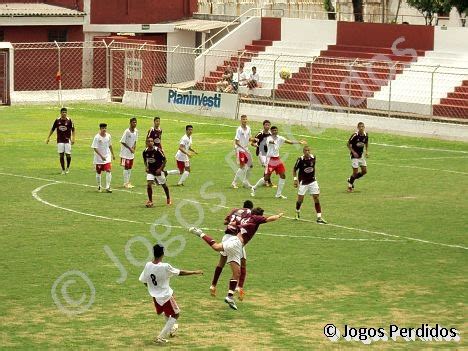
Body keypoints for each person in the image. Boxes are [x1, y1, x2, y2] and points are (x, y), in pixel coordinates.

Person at [189, 208, 283, 310]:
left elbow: (232, 223)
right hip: (237, 244)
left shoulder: (246, 218)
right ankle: (230, 296)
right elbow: (270, 219)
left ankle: (200, 233)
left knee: (216, 247)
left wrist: (233, 223)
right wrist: (278, 216)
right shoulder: (255, 218)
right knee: (236, 272)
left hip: (233, 240)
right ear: (259, 215)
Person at [139, 244, 203, 343]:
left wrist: (153, 289)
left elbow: (143, 280)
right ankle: (160, 337)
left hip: (155, 296)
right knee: (176, 314)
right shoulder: (165, 266)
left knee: (167, 312)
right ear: (163, 254)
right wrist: (194, 272)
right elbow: (180, 272)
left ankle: (172, 328)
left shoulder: (148, 265)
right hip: (165, 295)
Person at [210, 200, 254, 300]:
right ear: (250, 208)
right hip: (236, 239)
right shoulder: (249, 213)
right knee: (242, 263)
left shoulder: (235, 210)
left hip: (226, 237)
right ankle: (239, 288)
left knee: (221, 262)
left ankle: (213, 286)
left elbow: (225, 221)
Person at [250, 126, 306, 199]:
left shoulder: (280, 138)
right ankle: (254, 188)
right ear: (271, 131)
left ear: (277, 131)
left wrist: (299, 142)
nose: (275, 132)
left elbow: (290, 142)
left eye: (276, 130)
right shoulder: (268, 138)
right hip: (270, 159)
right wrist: (272, 142)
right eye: (273, 131)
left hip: (277, 159)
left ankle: (278, 194)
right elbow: (269, 142)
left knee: (283, 175)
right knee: (266, 178)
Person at [293, 145, 327, 224]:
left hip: (312, 181)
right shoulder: (300, 160)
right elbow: (294, 169)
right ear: (303, 152)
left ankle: (319, 217)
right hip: (303, 182)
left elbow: (312, 168)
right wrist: (295, 180)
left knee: (316, 198)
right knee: (300, 200)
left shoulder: (313, 158)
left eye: (308, 150)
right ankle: (297, 212)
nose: (307, 152)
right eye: (305, 151)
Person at [143, 137, 171, 207]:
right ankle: (150, 201)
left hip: (158, 171)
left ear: (153, 142)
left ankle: (168, 198)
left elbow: (165, 160)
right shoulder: (145, 152)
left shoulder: (158, 150)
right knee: (149, 184)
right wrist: (146, 167)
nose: (150, 142)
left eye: (152, 141)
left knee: (164, 185)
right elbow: (145, 160)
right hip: (150, 171)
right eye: (149, 141)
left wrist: (160, 169)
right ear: (146, 143)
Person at [46, 107, 75, 175]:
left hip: (67, 140)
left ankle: (67, 167)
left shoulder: (69, 120)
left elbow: (73, 130)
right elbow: (53, 129)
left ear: (66, 113)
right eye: (63, 112)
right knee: (61, 155)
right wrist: (48, 137)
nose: (64, 114)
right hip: (60, 140)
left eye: (65, 112)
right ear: (61, 113)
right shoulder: (57, 120)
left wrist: (73, 138)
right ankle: (63, 169)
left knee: (68, 155)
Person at [231, 115, 256, 189]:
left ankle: (245, 182)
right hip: (240, 149)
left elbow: (250, 138)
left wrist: (255, 141)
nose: (245, 120)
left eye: (246, 119)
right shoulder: (239, 129)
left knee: (250, 165)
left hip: (246, 149)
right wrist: (243, 148)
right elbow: (237, 142)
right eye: (243, 119)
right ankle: (234, 182)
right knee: (242, 167)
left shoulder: (248, 128)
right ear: (241, 120)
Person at [91, 123, 115, 193]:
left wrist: (113, 155)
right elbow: (95, 148)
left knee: (108, 170)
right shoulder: (97, 137)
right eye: (103, 128)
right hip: (98, 158)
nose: (104, 129)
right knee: (98, 172)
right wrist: (101, 156)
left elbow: (110, 145)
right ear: (100, 129)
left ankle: (108, 187)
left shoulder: (108, 136)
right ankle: (99, 186)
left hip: (107, 157)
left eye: (105, 128)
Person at [347, 122, 369, 192]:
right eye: (360, 127)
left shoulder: (366, 135)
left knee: (364, 171)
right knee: (355, 172)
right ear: (358, 127)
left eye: (362, 126)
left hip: (361, 155)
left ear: (364, 127)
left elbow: (366, 143)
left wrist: (367, 151)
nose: (361, 128)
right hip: (354, 156)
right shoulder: (355, 135)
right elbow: (348, 144)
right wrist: (353, 152)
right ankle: (350, 186)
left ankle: (350, 179)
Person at [252, 119, 273, 187]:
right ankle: (267, 181)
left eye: (268, 125)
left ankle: (265, 181)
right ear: (263, 125)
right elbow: (252, 142)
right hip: (261, 153)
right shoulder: (260, 134)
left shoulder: (270, 134)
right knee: (267, 166)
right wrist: (255, 144)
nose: (267, 126)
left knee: (269, 167)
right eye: (266, 125)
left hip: (268, 153)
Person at [120, 117, 138, 189]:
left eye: (136, 122)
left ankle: (128, 182)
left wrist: (134, 148)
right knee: (126, 167)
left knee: (130, 167)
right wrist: (130, 148)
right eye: (133, 122)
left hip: (131, 153)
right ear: (130, 123)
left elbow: (135, 140)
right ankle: (125, 183)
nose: (135, 124)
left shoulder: (136, 131)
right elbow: (122, 141)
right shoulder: (127, 131)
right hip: (125, 153)